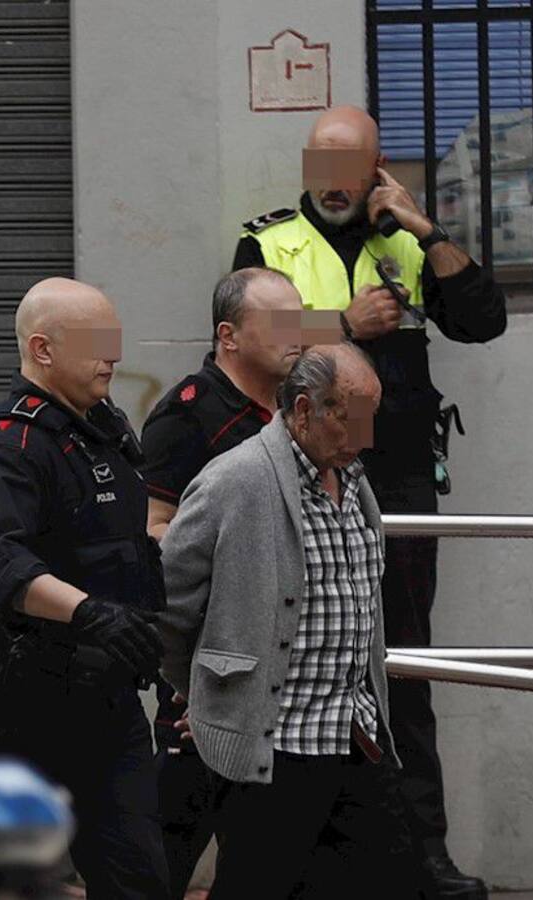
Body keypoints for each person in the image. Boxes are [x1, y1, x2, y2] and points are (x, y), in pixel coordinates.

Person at [233, 105, 506, 898]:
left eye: (349, 170)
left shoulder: (406, 242)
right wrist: (342, 325)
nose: (334, 184)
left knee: (403, 667)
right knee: (303, 663)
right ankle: (304, 861)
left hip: (399, 487)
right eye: (321, 166)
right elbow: (243, 342)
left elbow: (484, 320)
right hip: (304, 484)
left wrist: (426, 229)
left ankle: (424, 856)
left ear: (376, 170)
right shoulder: (270, 242)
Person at [157, 343, 418, 899]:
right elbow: (168, 602)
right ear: (303, 410)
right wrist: (205, 694)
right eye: (351, 419)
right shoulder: (235, 479)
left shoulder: (352, 476)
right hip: (277, 747)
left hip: (354, 735)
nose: (366, 437)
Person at [0, 277, 170, 899]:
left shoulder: (104, 431)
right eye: (96, 342)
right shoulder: (9, 442)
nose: (113, 357)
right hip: (24, 702)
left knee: (139, 879)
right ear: (42, 349)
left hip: (106, 700)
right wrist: (90, 613)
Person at [140, 266, 317, 898]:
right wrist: (193, 679)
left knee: (266, 860)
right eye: (278, 322)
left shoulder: (298, 412)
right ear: (229, 335)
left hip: (284, 676)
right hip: (211, 670)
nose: (297, 334)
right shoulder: (187, 415)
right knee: (169, 847)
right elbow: (155, 536)